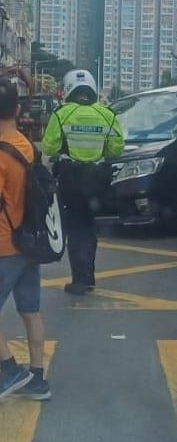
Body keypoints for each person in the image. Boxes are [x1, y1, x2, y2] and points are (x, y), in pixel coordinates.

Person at [42, 69, 124, 296]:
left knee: (76, 228)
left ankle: (80, 280)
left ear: (68, 89)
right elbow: (117, 149)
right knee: (89, 227)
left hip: (71, 181)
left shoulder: (62, 114)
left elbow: (49, 147)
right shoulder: (107, 114)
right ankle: (88, 275)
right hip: (97, 182)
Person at [0, 78, 50, 401]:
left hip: (5, 244)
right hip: (30, 240)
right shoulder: (26, 145)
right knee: (30, 310)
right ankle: (38, 379)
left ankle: (9, 371)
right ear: (17, 109)